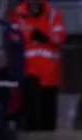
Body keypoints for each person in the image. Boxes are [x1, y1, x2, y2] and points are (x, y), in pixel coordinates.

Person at [8, 0, 66, 131]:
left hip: (49, 75)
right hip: (29, 73)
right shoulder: (18, 14)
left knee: (48, 119)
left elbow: (59, 37)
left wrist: (44, 36)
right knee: (31, 118)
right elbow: (12, 37)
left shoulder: (53, 14)